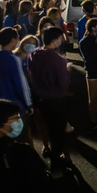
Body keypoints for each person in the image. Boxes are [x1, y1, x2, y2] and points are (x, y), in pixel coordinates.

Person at [29, 27, 72, 166]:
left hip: (41, 99)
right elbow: (63, 84)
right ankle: (56, 165)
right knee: (58, 133)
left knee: (50, 128)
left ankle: (57, 160)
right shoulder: (57, 59)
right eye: (61, 37)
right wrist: (67, 70)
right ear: (55, 40)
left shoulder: (34, 54)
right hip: (56, 100)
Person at [0, 28, 35, 139]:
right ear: (12, 40)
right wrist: (29, 104)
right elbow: (21, 85)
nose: (18, 40)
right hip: (15, 106)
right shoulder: (13, 59)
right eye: (17, 37)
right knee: (20, 136)